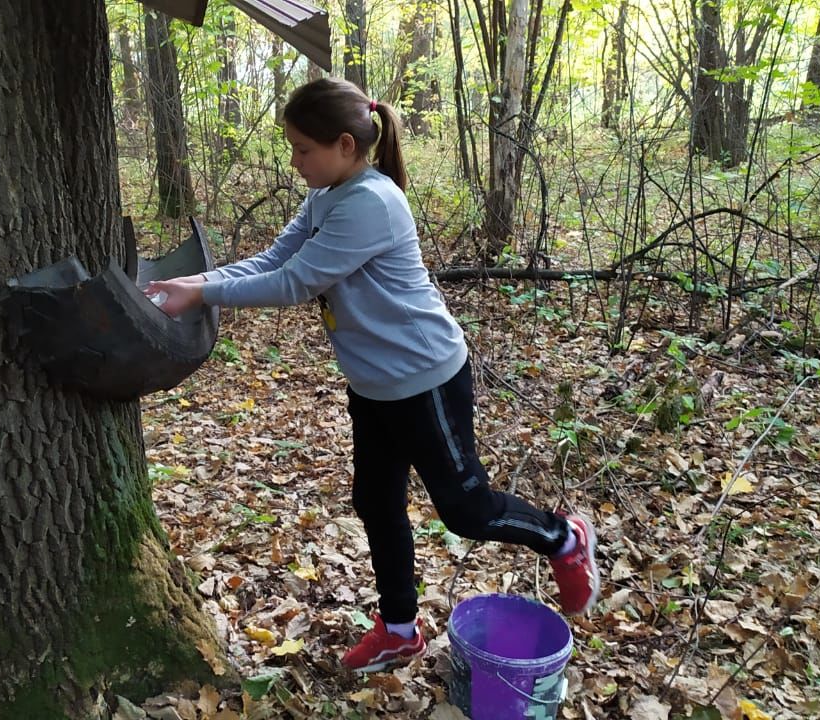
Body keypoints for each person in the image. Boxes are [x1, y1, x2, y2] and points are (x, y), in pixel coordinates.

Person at [145, 77, 599, 673]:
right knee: (376, 503)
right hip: (373, 387)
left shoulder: (370, 202)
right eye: (292, 148)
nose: (295, 161)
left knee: (467, 512)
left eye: (303, 149)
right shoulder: (326, 194)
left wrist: (203, 293)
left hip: (425, 379)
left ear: (344, 144)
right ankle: (400, 628)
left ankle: (564, 537)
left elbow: (296, 283)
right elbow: (275, 259)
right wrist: (199, 284)